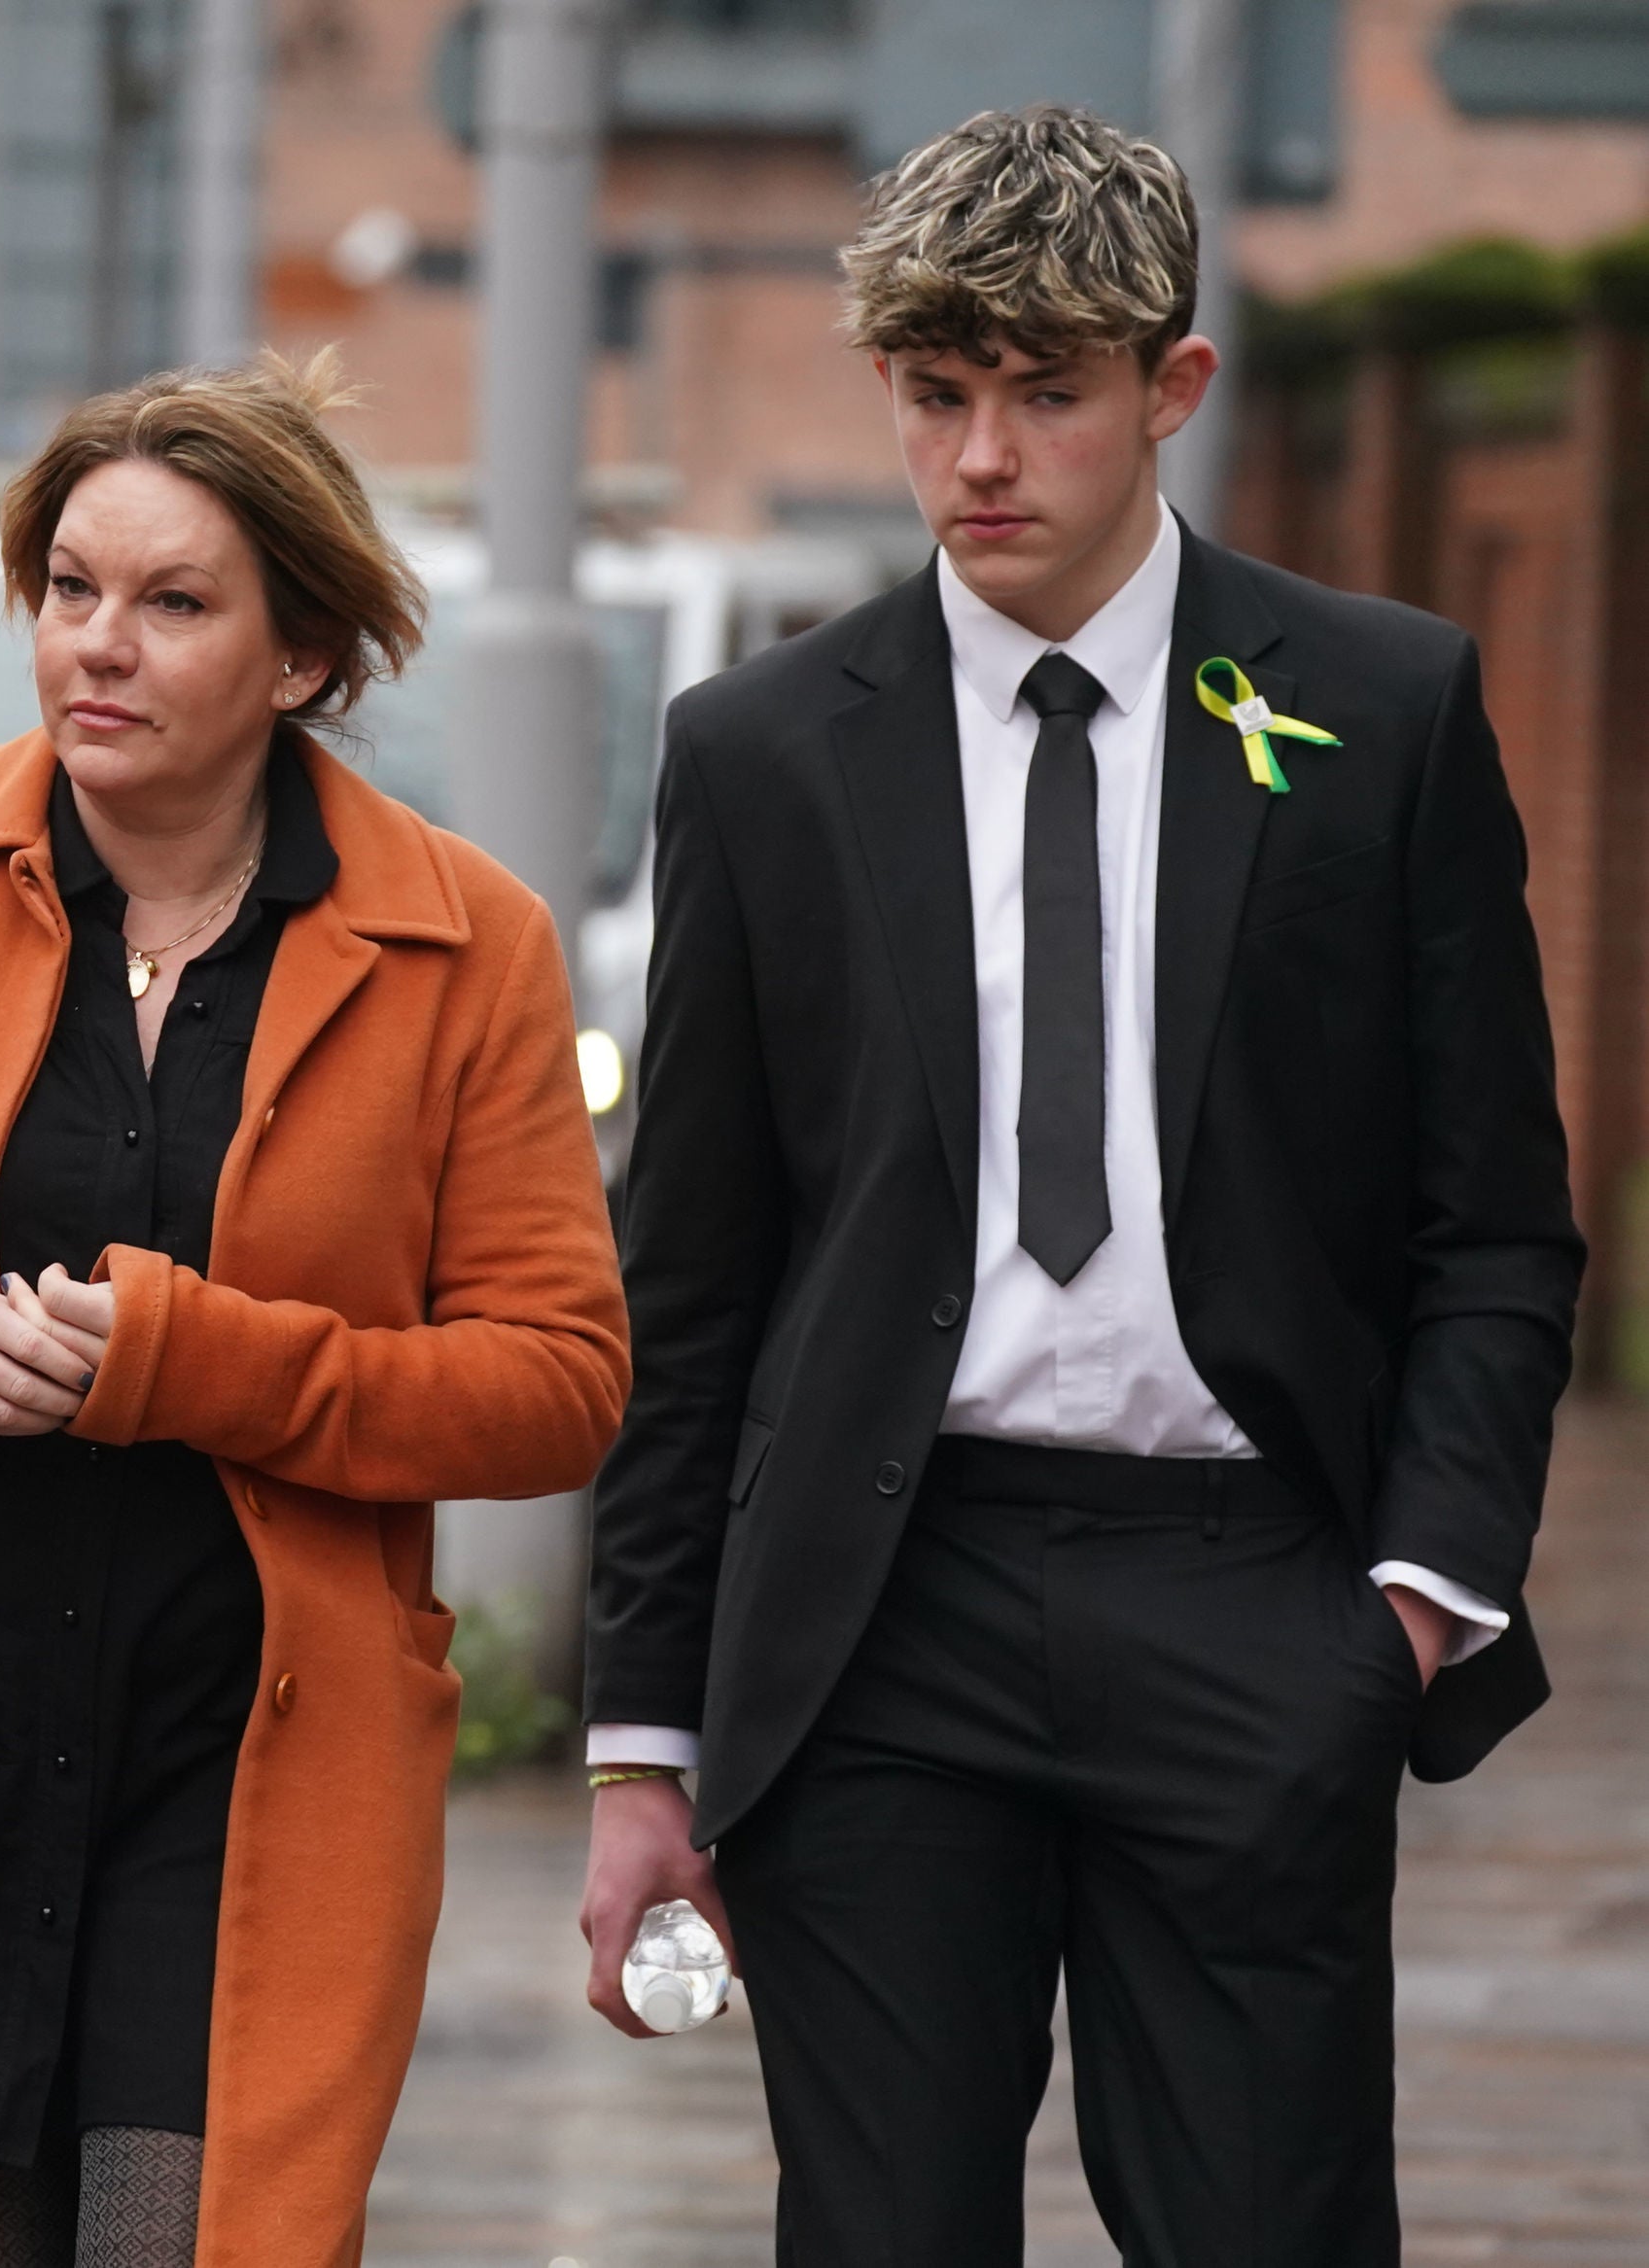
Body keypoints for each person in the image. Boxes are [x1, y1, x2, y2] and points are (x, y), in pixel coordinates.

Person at [582, 107, 1582, 2265]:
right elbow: (696, 1276)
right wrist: (641, 1746)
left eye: (1045, 390)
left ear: (1170, 389)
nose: (983, 457)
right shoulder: (759, 749)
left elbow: (1492, 1221)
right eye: (939, 395)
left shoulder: (1374, 708)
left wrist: (1405, 1606)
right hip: (877, 1618)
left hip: (1251, 1592)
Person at [0, 353, 631, 2265]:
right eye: (71, 587)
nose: (97, 644)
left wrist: (196, 1360)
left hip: (250, 1771)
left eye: (173, 604)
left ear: (302, 654)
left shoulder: (461, 940)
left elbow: (556, 1386)